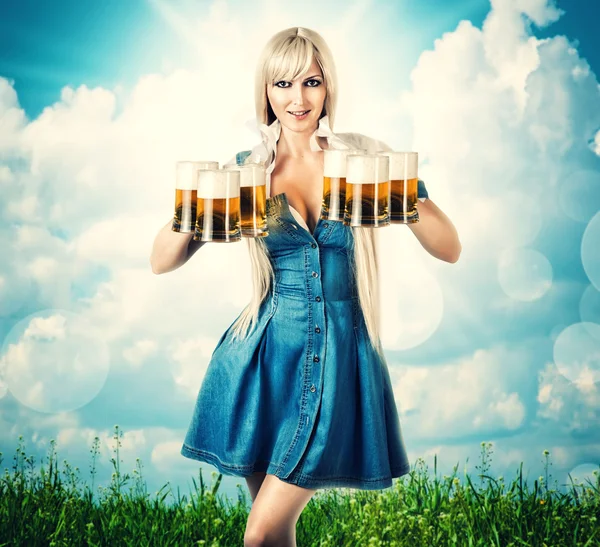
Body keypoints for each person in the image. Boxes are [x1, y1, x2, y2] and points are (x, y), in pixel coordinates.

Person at [150, 26, 461, 547]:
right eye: (283, 84)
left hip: (340, 356)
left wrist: (402, 194)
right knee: (274, 533)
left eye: (312, 82)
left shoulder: (364, 158)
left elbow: (448, 246)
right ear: (266, 92)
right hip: (262, 357)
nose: (298, 99)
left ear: (328, 87)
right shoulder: (249, 172)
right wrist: (196, 205)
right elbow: (162, 260)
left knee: (261, 532)